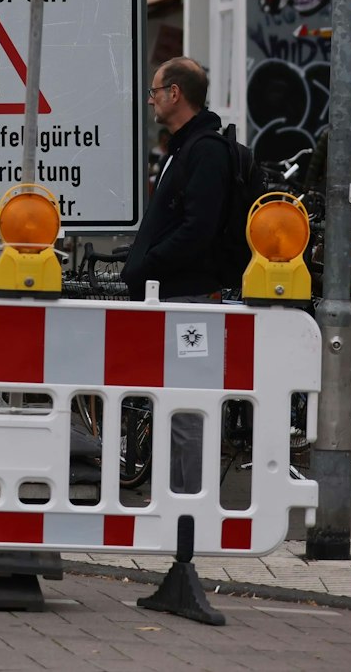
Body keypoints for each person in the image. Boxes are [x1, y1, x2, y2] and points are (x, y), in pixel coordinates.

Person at [122, 57, 232, 495]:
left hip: (190, 301)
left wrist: (149, 264)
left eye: (154, 91)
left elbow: (197, 228)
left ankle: (191, 509)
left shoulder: (204, 150)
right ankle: (175, 503)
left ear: (175, 94)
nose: (150, 99)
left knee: (188, 410)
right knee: (171, 405)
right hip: (172, 296)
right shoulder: (184, 147)